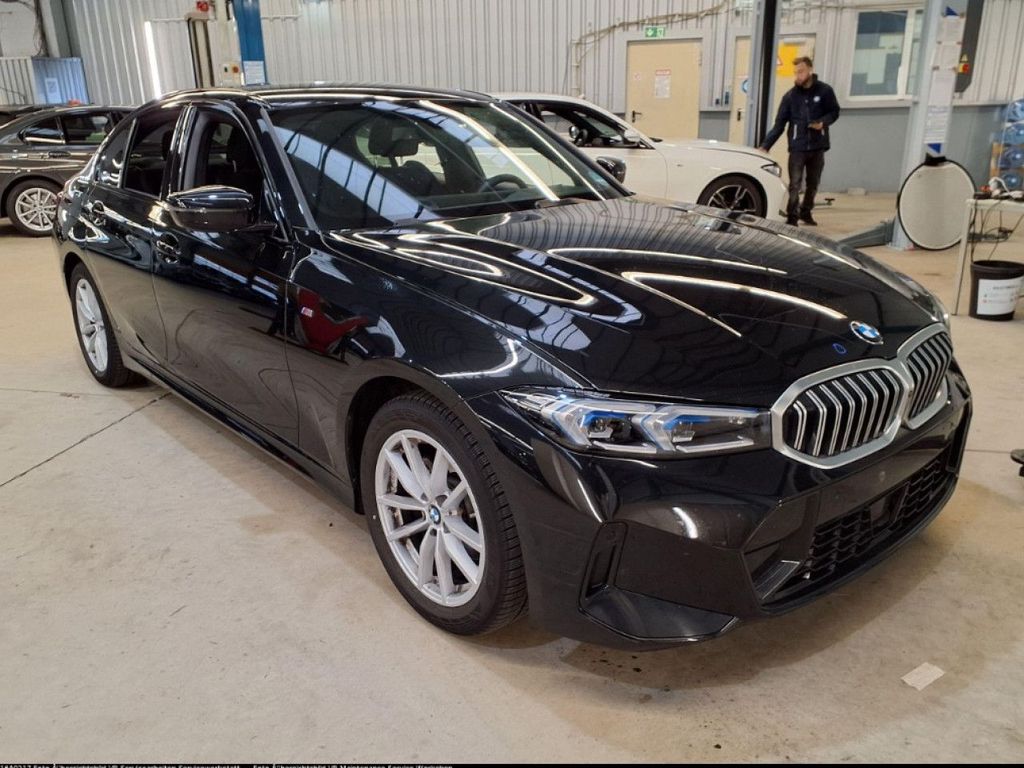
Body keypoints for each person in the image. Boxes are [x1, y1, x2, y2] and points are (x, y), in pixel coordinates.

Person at [759, 57, 840, 226]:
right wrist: (765, 146)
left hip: (818, 146)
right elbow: (779, 124)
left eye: (801, 71)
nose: (798, 75)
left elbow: (834, 112)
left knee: (813, 183)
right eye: (796, 72)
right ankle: (792, 216)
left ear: (810, 69)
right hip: (798, 147)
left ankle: (806, 211)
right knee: (795, 184)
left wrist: (823, 123)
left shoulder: (825, 91)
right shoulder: (790, 96)